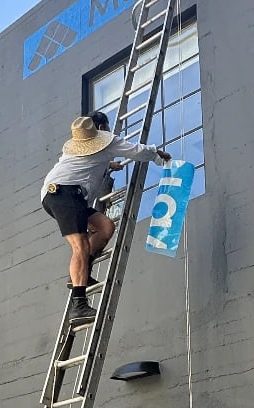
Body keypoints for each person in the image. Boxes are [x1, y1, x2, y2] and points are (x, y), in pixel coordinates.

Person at [41, 111, 171, 323]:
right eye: (108, 127)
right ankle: (79, 304)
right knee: (80, 246)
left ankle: (81, 273)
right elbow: (136, 151)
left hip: (64, 195)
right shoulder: (106, 141)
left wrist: (108, 165)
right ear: (101, 128)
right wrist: (157, 154)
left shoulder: (78, 149)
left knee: (105, 227)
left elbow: (84, 162)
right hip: (64, 193)